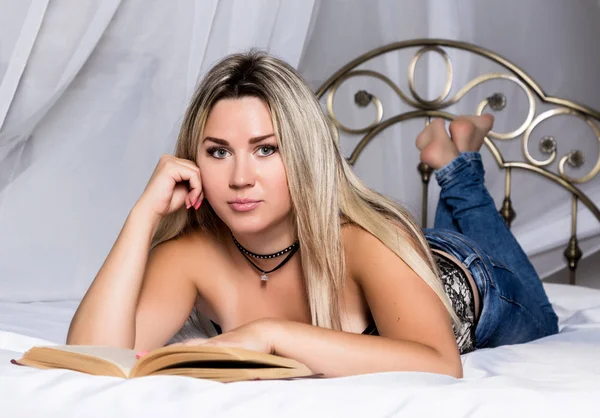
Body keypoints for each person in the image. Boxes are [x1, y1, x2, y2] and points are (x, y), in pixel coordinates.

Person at [67, 51, 559, 379]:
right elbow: (92, 359)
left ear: (303, 152)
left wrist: (272, 334)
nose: (240, 178)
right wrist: (142, 217)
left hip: (461, 277)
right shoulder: (191, 255)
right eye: (218, 153)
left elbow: (438, 363)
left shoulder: (367, 238)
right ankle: (452, 154)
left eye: (266, 150)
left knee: (545, 320)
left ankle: (457, 168)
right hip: (409, 266)